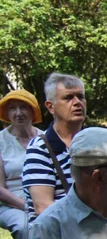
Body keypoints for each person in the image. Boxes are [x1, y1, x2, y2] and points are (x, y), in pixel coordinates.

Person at [23, 73, 86, 220]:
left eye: (81, 96)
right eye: (68, 98)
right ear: (50, 107)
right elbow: (43, 207)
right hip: (56, 234)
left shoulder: (96, 142)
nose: (77, 102)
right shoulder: (40, 148)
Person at [0, 90, 42, 239]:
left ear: (33, 111)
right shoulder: (0, 140)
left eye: (23, 107)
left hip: (44, 200)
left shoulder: (45, 138)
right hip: (10, 204)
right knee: (26, 230)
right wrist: (27, 207)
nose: (18, 113)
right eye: (12, 108)